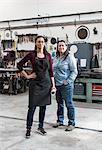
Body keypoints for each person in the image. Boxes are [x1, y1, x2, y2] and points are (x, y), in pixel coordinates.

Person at [17, 35, 56, 138]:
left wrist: (53, 85)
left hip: (46, 84)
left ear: (44, 43)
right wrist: (28, 76)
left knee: (43, 107)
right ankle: (28, 128)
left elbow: (51, 72)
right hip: (35, 85)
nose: (41, 43)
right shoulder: (31, 54)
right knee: (32, 107)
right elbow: (19, 65)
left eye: (42, 41)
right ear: (36, 43)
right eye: (39, 41)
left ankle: (40, 127)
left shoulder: (48, 55)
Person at [53, 40, 78, 131]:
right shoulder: (56, 57)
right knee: (59, 104)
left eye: (63, 46)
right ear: (57, 47)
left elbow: (74, 71)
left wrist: (68, 81)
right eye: (59, 46)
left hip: (66, 85)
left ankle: (71, 123)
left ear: (66, 47)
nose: (61, 47)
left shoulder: (69, 57)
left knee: (69, 104)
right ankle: (60, 120)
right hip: (57, 85)